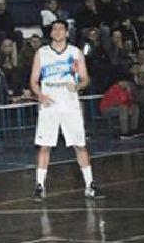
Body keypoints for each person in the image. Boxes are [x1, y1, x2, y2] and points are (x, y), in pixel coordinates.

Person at [30, 20, 104, 201]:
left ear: (67, 32)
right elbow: (33, 80)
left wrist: (77, 86)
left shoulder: (75, 53)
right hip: (49, 106)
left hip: (70, 105)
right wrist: (40, 94)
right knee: (44, 145)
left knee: (80, 145)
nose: (57, 31)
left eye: (61, 28)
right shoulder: (42, 53)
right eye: (54, 28)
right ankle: (40, 186)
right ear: (51, 33)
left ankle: (90, 185)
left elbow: (86, 79)